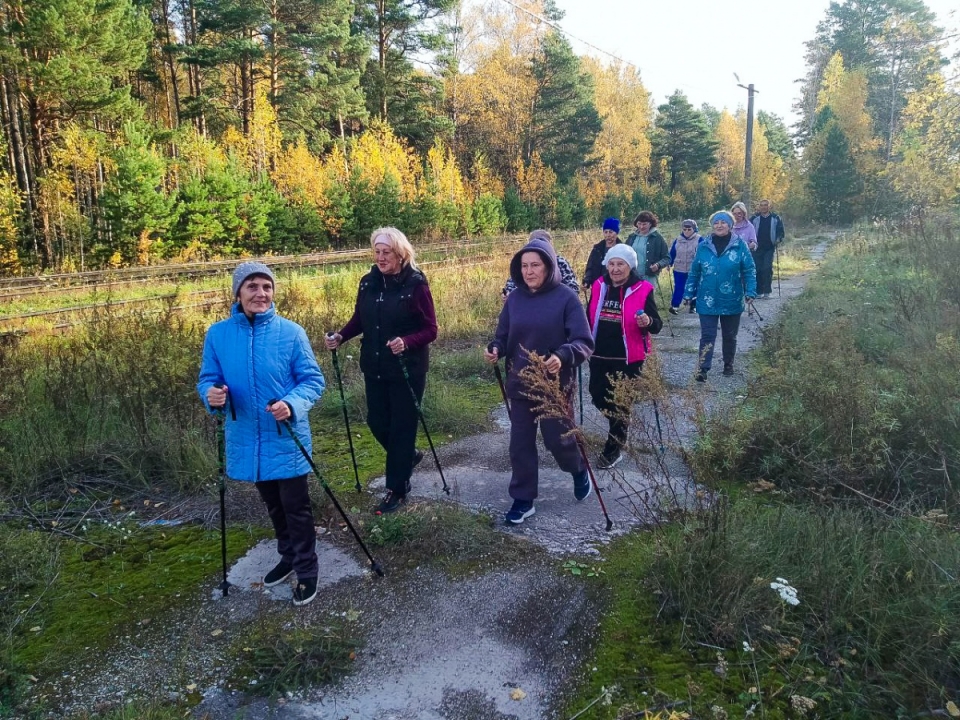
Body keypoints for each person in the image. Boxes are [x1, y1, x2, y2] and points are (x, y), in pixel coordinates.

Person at [198, 262, 326, 607]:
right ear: (237, 293)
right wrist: (212, 395)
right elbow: (207, 379)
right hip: (246, 436)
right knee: (272, 503)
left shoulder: (291, 333)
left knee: (295, 506)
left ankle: (307, 569)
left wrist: (291, 403)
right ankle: (287, 555)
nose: (261, 293)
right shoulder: (218, 335)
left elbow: (313, 382)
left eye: (267, 287)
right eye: (252, 287)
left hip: (284, 433)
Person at [325, 227, 438, 514]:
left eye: (386, 252)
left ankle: (396, 489)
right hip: (374, 366)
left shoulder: (416, 285)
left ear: (401, 254)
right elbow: (359, 319)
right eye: (377, 251)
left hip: (407, 369)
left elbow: (430, 330)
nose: (380, 257)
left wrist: (407, 342)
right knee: (377, 422)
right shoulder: (368, 283)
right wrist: (340, 336)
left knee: (402, 428)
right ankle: (407, 457)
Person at [484, 233, 594, 525]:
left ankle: (577, 468)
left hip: (554, 385)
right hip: (520, 382)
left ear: (549, 267)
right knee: (519, 443)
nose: (529, 271)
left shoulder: (566, 298)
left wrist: (564, 354)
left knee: (557, 440)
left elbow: (584, 341)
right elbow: (503, 335)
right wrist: (496, 348)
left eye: (535, 265)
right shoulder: (515, 299)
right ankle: (523, 498)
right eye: (524, 266)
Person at [586, 244, 663, 468]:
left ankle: (614, 447)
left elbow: (657, 325)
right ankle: (618, 425)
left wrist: (647, 322)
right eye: (612, 263)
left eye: (621, 264)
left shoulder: (643, 288)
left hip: (629, 357)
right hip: (599, 354)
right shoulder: (599, 286)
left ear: (630, 266)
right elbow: (588, 315)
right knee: (597, 396)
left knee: (620, 403)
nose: (615, 268)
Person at [683, 211, 757, 382]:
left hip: (731, 298)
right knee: (707, 335)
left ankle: (728, 364)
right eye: (716, 223)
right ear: (712, 225)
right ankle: (703, 368)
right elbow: (694, 272)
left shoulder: (740, 246)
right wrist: (688, 293)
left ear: (730, 225)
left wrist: (751, 291)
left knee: (729, 335)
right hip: (707, 299)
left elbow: (749, 270)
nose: (719, 225)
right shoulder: (703, 246)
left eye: (723, 222)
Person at [502, 229, 579, 297]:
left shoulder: (560, 262)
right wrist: (509, 295)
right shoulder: (522, 261)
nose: (529, 271)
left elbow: (573, 288)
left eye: (535, 265)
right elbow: (512, 283)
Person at [750, 199, 786, 298]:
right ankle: (758, 291)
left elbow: (781, 231)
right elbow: (749, 230)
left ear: (769, 207)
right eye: (761, 205)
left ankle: (767, 291)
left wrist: (778, 239)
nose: (763, 207)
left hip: (769, 247)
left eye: (765, 205)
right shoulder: (754, 218)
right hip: (756, 248)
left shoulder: (775, 218)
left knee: (767, 268)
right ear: (759, 207)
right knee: (757, 269)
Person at [625, 211, 671, 285]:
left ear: (650, 224)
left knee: (647, 296)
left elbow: (667, 258)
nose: (641, 227)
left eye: (644, 224)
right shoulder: (632, 237)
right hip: (632, 276)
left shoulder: (657, 238)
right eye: (639, 224)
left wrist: (658, 265)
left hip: (649, 277)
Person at [668, 219, 702, 315]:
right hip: (679, 268)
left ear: (694, 229)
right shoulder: (678, 240)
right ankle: (675, 306)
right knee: (679, 287)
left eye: (689, 229)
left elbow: (704, 254)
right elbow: (672, 253)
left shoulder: (699, 239)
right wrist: (669, 264)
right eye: (685, 229)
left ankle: (693, 306)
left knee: (694, 287)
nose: (686, 231)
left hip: (694, 269)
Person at [582, 217, 621, 291]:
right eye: (605, 232)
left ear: (616, 233)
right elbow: (590, 267)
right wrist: (587, 281)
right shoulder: (597, 249)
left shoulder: (622, 249)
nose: (608, 235)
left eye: (611, 232)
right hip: (598, 286)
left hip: (616, 287)